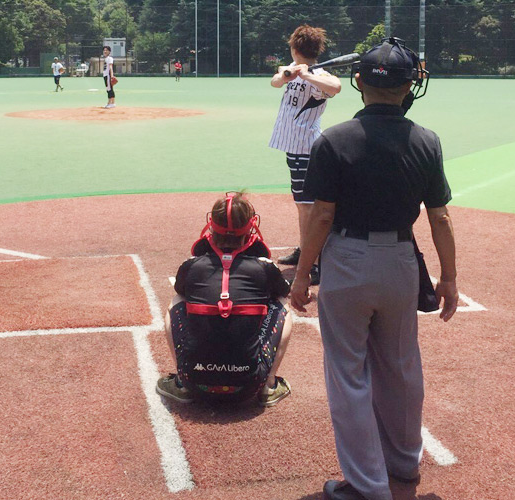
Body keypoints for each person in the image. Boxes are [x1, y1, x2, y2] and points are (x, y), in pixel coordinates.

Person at [289, 38, 459, 500]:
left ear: (359, 81)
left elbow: (321, 216)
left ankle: (366, 485)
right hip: (401, 262)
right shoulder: (426, 140)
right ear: (409, 87)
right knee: (401, 366)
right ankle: (403, 464)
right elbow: (440, 217)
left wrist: (303, 274)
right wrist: (448, 277)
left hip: (347, 261)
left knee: (348, 372)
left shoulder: (333, 139)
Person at [156, 192, 293, 407]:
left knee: (177, 300)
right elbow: (284, 291)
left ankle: (182, 383)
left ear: (211, 225)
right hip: (249, 384)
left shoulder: (191, 266)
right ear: (251, 226)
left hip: (196, 381)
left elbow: (181, 289)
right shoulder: (264, 267)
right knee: (281, 305)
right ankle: (269, 385)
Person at [269, 24, 341, 286]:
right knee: (302, 204)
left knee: (307, 207)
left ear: (295, 48)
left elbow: (336, 87)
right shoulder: (292, 68)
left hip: (306, 148)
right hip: (294, 147)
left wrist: (307, 75)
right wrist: (288, 74)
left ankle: (315, 261)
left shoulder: (319, 75)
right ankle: (304, 250)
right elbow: (276, 81)